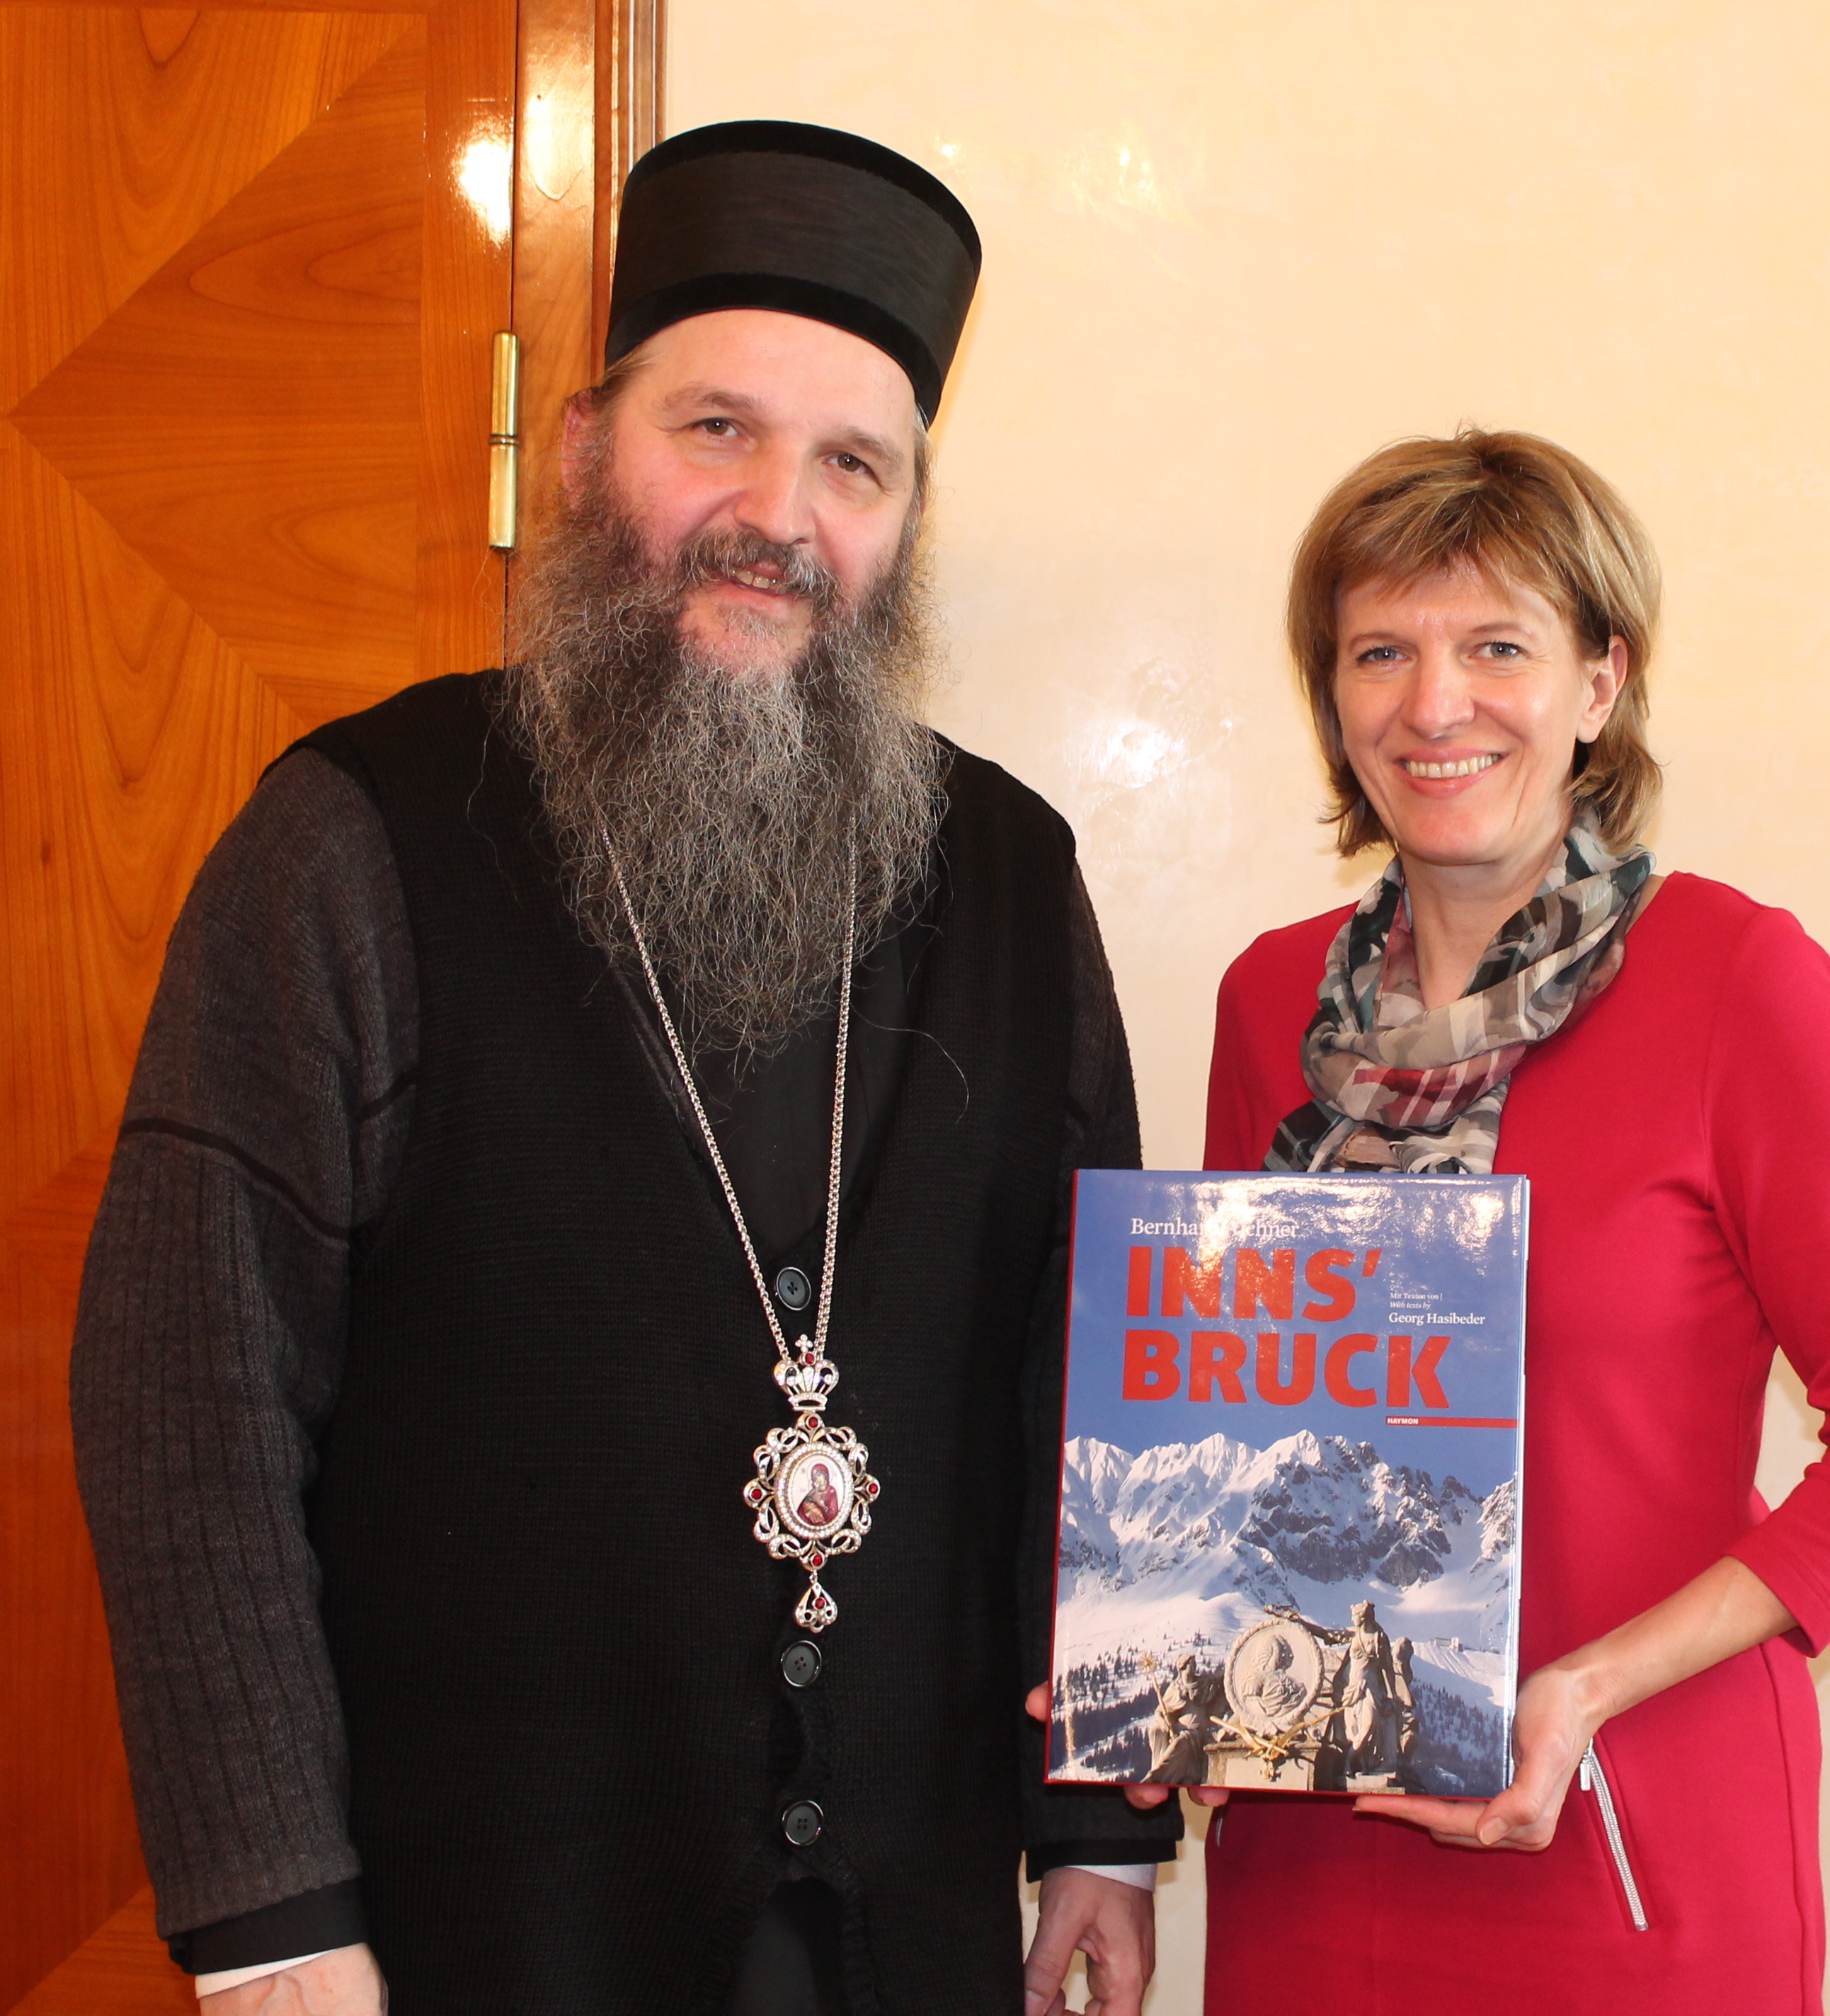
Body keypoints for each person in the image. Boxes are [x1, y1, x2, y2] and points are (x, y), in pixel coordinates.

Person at [69, 122, 1175, 2016]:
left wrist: (1096, 1825)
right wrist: (267, 1924)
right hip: (475, 1924)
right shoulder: (354, 836)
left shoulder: (1009, 872)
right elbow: (190, 1400)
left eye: (854, 463)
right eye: (715, 430)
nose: (780, 516)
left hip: (902, 1929)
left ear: (906, 518)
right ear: (586, 451)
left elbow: (1095, 1382)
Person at [1181, 429, 1830, 2011]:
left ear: (1600, 685)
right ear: (1332, 700)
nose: (1435, 702)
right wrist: (1155, 1652)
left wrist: (1589, 1685)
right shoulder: (1270, 1000)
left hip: (1630, 1835)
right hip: (1315, 1853)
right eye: (1380, 652)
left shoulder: (1737, 982)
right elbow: (1244, 1415)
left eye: (1498, 647)